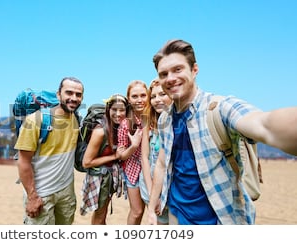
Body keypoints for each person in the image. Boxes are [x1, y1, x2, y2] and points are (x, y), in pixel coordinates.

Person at [146, 39, 297, 225]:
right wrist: (152, 208)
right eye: (163, 74)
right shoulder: (165, 119)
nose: (170, 78)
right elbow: (162, 163)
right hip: (177, 214)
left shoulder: (219, 108)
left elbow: (264, 124)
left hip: (221, 217)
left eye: (178, 69)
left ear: (194, 70)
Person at [15, 77, 84, 225]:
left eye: (78, 95)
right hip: (42, 194)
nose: (74, 98)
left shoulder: (76, 120)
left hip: (66, 193)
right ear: (58, 95)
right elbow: (23, 162)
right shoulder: (36, 120)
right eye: (69, 93)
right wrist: (32, 197)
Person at [80, 94, 128, 224]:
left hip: (109, 176)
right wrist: (114, 156)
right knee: (100, 214)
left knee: (103, 212)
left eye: (122, 110)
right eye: (114, 110)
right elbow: (86, 162)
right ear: (108, 110)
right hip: (99, 177)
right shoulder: (100, 131)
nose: (118, 114)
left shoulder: (119, 128)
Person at [139, 78, 172, 225]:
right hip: (150, 183)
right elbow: (145, 158)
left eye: (162, 94)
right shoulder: (148, 121)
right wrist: (154, 194)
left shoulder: (178, 122)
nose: (157, 100)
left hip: (171, 187)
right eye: (153, 96)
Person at [117, 80, 145, 225]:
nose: (139, 100)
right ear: (129, 99)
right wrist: (133, 146)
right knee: (137, 211)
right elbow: (120, 155)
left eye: (143, 95)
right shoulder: (126, 123)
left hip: (151, 169)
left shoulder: (155, 117)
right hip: (133, 170)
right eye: (135, 96)